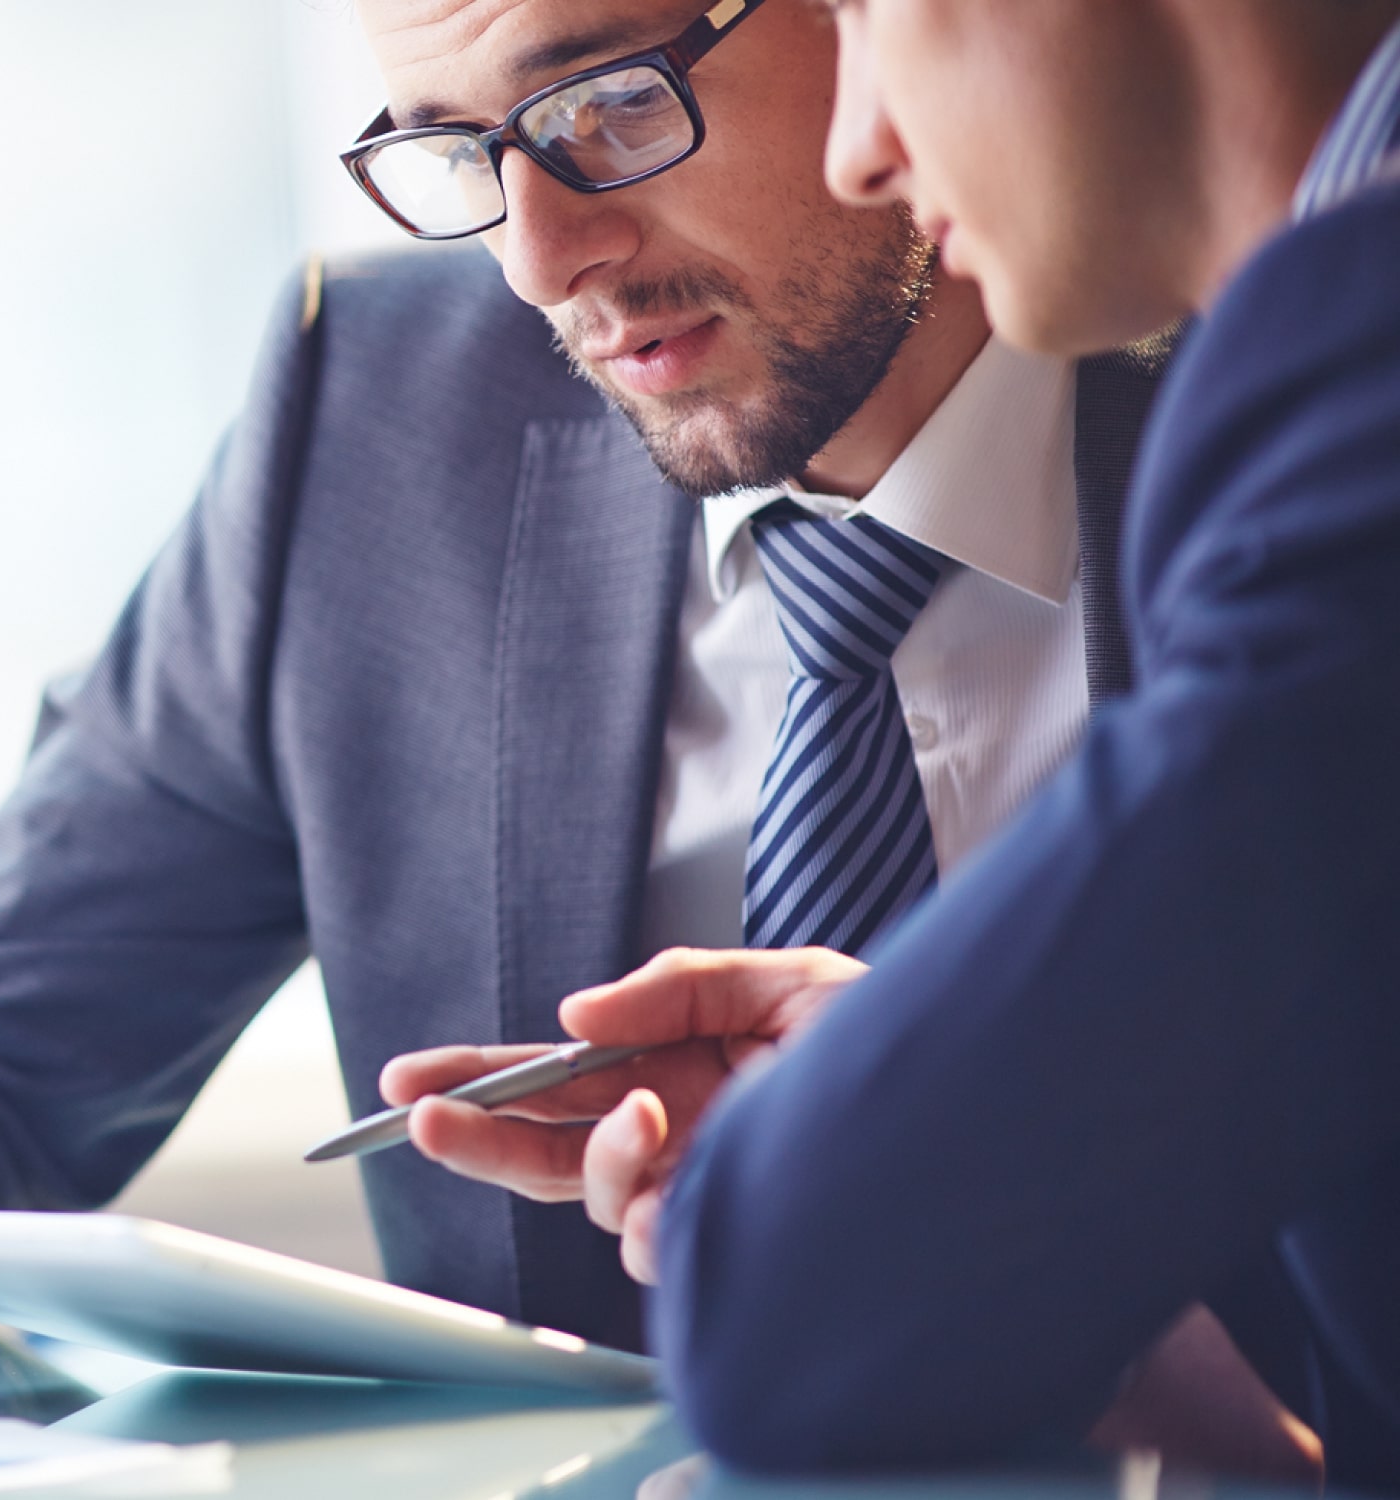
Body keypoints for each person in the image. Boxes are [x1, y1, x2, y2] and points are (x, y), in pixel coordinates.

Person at [0, 0, 1166, 1415]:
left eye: (612, 104)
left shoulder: (1304, 386)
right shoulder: (384, 420)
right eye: (457, 153)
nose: (546, 264)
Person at [385, 0, 1400, 1481]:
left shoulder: (1354, 390)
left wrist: (883, 1159)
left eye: (874, 11)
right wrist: (976, 1127)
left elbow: (779, 1312)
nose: (865, 146)